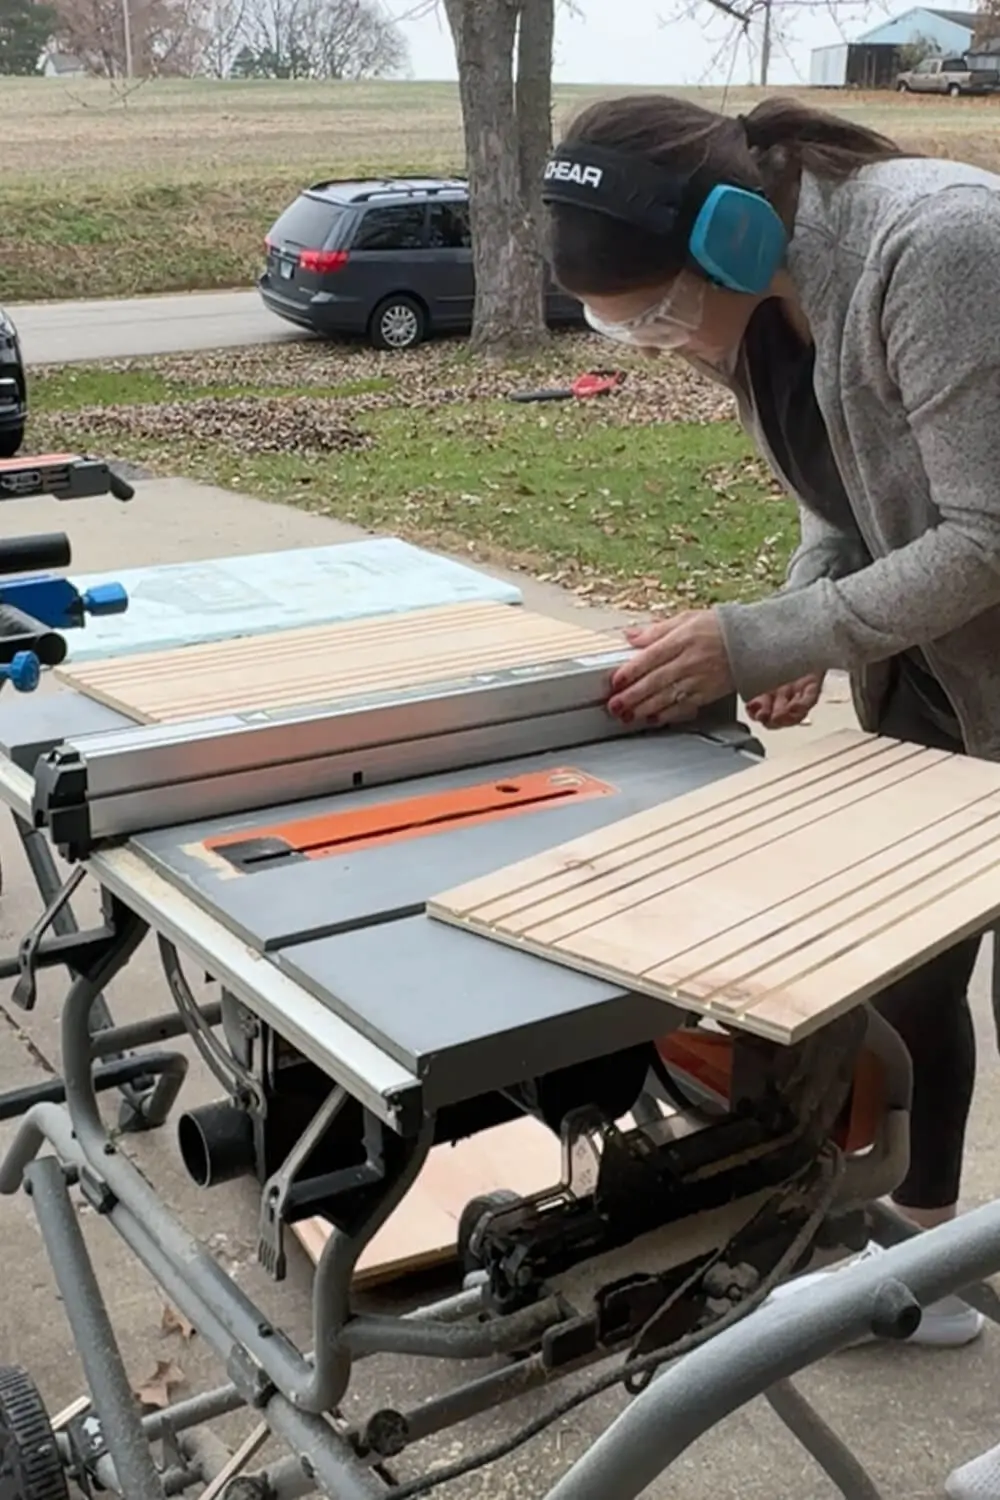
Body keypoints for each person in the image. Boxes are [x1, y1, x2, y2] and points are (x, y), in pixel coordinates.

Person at [539, 92, 1000, 1361]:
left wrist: (760, 640)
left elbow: (982, 536)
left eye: (652, 312)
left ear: (731, 240)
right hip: (941, 668)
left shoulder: (939, 248)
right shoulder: (764, 311)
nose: (654, 342)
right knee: (910, 977)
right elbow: (843, 494)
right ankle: (924, 1266)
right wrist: (803, 616)